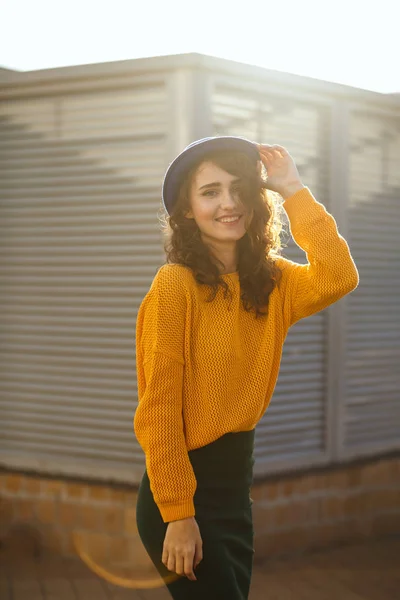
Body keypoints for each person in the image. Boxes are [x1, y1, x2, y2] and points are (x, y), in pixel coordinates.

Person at [133, 136, 359, 599]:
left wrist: (293, 188)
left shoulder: (274, 281)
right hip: (183, 492)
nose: (229, 203)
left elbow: (339, 274)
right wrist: (178, 513)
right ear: (187, 210)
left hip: (235, 487)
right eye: (210, 192)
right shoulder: (174, 286)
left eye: (239, 189)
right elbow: (158, 408)